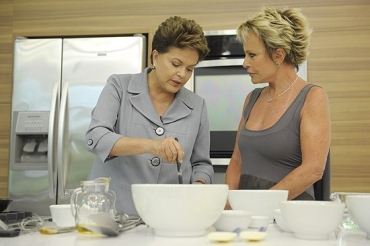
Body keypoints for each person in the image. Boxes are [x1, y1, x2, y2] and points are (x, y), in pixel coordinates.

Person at [85, 16, 213, 215]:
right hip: (113, 217)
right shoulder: (119, 87)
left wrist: (199, 184)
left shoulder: (197, 106)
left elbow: (201, 164)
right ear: (155, 56)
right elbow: (96, 138)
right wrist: (152, 145)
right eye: (176, 64)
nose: (182, 74)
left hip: (171, 217)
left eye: (189, 69)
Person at [225, 6, 331, 204]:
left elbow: (313, 169)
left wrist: (261, 204)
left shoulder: (312, 97)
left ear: (278, 56)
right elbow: (237, 160)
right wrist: (229, 206)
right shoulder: (252, 98)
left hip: (290, 218)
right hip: (249, 215)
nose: (245, 63)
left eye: (252, 55)